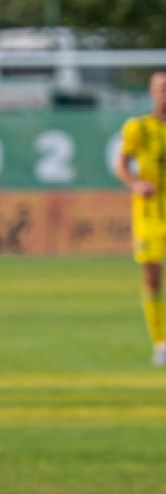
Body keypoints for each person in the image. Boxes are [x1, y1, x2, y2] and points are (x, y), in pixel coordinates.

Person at [115, 71, 166, 366]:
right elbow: (121, 165)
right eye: (161, 88)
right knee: (152, 277)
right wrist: (136, 184)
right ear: (151, 93)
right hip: (149, 213)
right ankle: (160, 342)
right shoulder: (138, 128)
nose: (165, 93)